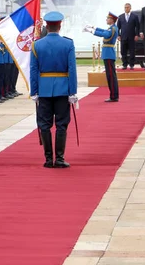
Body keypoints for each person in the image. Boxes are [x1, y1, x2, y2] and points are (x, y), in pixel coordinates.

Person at [30, 11, 77, 169]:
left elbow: (33, 70)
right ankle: (60, 158)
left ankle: (48, 159)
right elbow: (72, 69)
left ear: (46, 26)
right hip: (63, 89)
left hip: (44, 89)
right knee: (62, 124)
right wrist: (72, 91)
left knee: (44, 124)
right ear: (60, 25)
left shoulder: (37, 45)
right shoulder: (68, 44)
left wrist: (34, 92)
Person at [84, 12, 120, 102]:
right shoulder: (112, 28)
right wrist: (93, 27)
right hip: (108, 53)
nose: (106, 19)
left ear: (112, 20)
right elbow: (104, 31)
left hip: (109, 54)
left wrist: (91, 31)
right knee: (110, 75)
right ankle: (113, 95)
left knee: (111, 76)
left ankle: (114, 96)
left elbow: (105, 34)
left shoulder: (113, 29)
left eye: (108, 18)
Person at [117, 3, 140, 69]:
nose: (126, 9)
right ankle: (124, 64)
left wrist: (136, 35)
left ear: (130, 8)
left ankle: (131, 64)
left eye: (127, 7)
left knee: (132, 51)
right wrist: (118, 35)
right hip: (123, 37)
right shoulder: (120, 17)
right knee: (123, 51)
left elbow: (137, 26)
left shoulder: (134, 16)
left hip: (132, 37)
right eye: (125, 7)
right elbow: (118, 27)